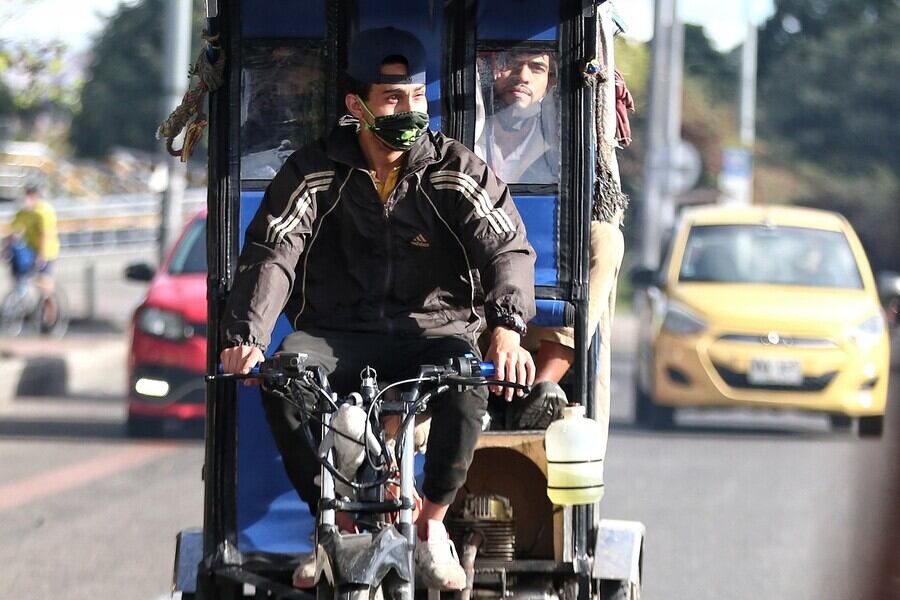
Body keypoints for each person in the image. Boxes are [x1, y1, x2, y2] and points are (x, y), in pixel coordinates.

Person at [219, 27, 536, 591]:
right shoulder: (312, 171)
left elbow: (507, 246)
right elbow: (272, 253)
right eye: (392, 99)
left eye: (416, 98)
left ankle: (429, 525)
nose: (408, 111)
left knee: (468, 379)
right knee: (280, 379)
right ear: (356, 106)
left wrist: (508, 329)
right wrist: (250, 337)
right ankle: (333, 525)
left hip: (434, 331)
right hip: (338, 332)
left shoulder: (455, 170)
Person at [475, 49, 559, 184]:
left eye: (537, 68)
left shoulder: (555, 148)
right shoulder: (471, 133)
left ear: (550, 82)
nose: (523, 77)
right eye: (511, 63)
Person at [8, 184, 60, 296]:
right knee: (20, 270)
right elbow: (14, 231)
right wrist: (6, 249)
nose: (27, 199)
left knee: (44, 285)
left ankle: (50, 309)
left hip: (47, 251)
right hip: (31, 250)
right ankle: (22, 296)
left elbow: (45, 235)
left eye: (30, 195)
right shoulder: (23, 212)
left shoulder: (44, 211)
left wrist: (41, 255)